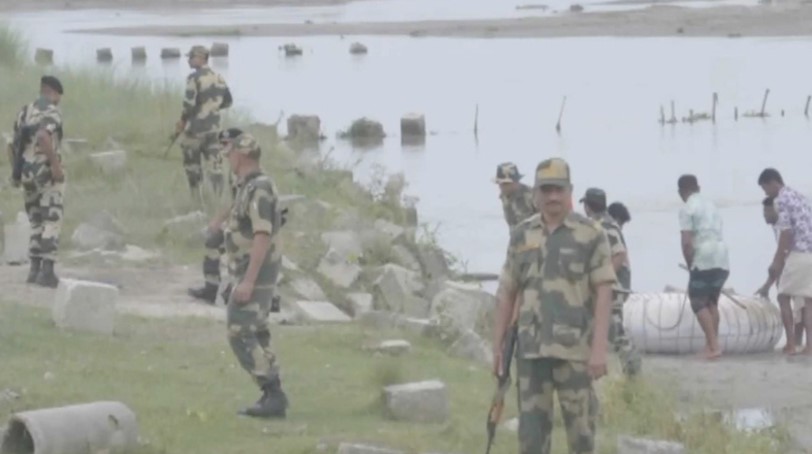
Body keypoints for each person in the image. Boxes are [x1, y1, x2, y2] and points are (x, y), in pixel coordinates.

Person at [493, 157, 615, 454]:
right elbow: (507, 291)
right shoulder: (521, 234)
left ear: (570, 191)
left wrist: (599, 350)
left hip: (575, 353)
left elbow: (604, 292)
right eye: (546, 189)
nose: (552, 196)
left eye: (559, 189)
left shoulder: (591, 234)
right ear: (535, 192)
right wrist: (498, 347)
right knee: (531, 439)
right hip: (531, 353)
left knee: (582, 437)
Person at [222, 133, 288, 418]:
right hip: (248, 269)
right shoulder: (249, 186)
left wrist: (249, 281)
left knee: (239, 329)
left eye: (230, 153)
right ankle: (274, 395)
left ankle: (271, 390)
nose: (228, 158)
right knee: (257, 329)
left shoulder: (259, 188)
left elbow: (262, 235)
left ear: (242, 155)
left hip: (256, 271)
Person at [11, 75, 65, 288]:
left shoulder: (24, 111)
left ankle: (34, 270)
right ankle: (47, 271)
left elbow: (12, 144)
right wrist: (56, 166)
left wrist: (16, 172)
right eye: (58, 96)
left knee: (35, 220)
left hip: (26, 174)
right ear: (53, 92)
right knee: (52, 218)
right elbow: (43, 136)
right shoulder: (51, 112)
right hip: (45, 174)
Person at [581, 188, 641, 377]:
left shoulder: (605, 226)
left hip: (613, 288)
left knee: (614, 329)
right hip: (609, 286)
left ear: (588, 206)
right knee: (601, 326)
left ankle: (632, 367)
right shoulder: (600, 224)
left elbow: (619, 254)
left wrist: (604, 277)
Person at [757, 168, 812, 355]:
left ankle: (790, 344)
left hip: (797, 253)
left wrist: (777, 261)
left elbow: (786, 235)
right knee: (808, 301)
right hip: (810, 253)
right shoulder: (799, 197)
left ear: (772, 182)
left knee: (783, 296)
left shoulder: (782, 200)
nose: (767, 193)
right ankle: (809, 346)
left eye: (765, 189)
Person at [188, 127, 244, 304]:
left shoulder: (246, 168)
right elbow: (234, 200)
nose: (223, 148)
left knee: (234, 250)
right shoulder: (233, 168)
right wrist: (219, 220)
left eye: (227, 144)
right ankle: (211, 289)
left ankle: (234, 290)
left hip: (249, 223)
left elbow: (244, 201)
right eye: (222, 144)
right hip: (238, 219)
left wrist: (224, 221)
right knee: (212, 242)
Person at [677, 174, 730, 360]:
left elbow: (687, 242)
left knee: (698, 302)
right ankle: (711, 345)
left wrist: (690, 263)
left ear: (681, 192)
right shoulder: (712, 205)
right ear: (698, 188)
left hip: (704, 256)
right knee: (711, 302)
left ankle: (713, 346)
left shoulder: (687, 208)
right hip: (722, 256)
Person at [176, 45, 233, 200]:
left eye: (191, 57)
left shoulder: (194, 78)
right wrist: (212, 108)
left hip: (195, 131)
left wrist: (182, 122)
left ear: (200, 58)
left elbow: (188, 105)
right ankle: (218, 199)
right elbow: (228, 102)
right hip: (215, 130)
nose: (188, 60)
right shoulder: (219, 77)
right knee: (215, 167)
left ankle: (196, 199)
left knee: (193, 167)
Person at [493, 162, 536, 228]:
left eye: (506, 183)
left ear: (516, 181)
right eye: (500, 183)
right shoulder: (504, 197)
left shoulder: (531, 196)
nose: (502, 187)